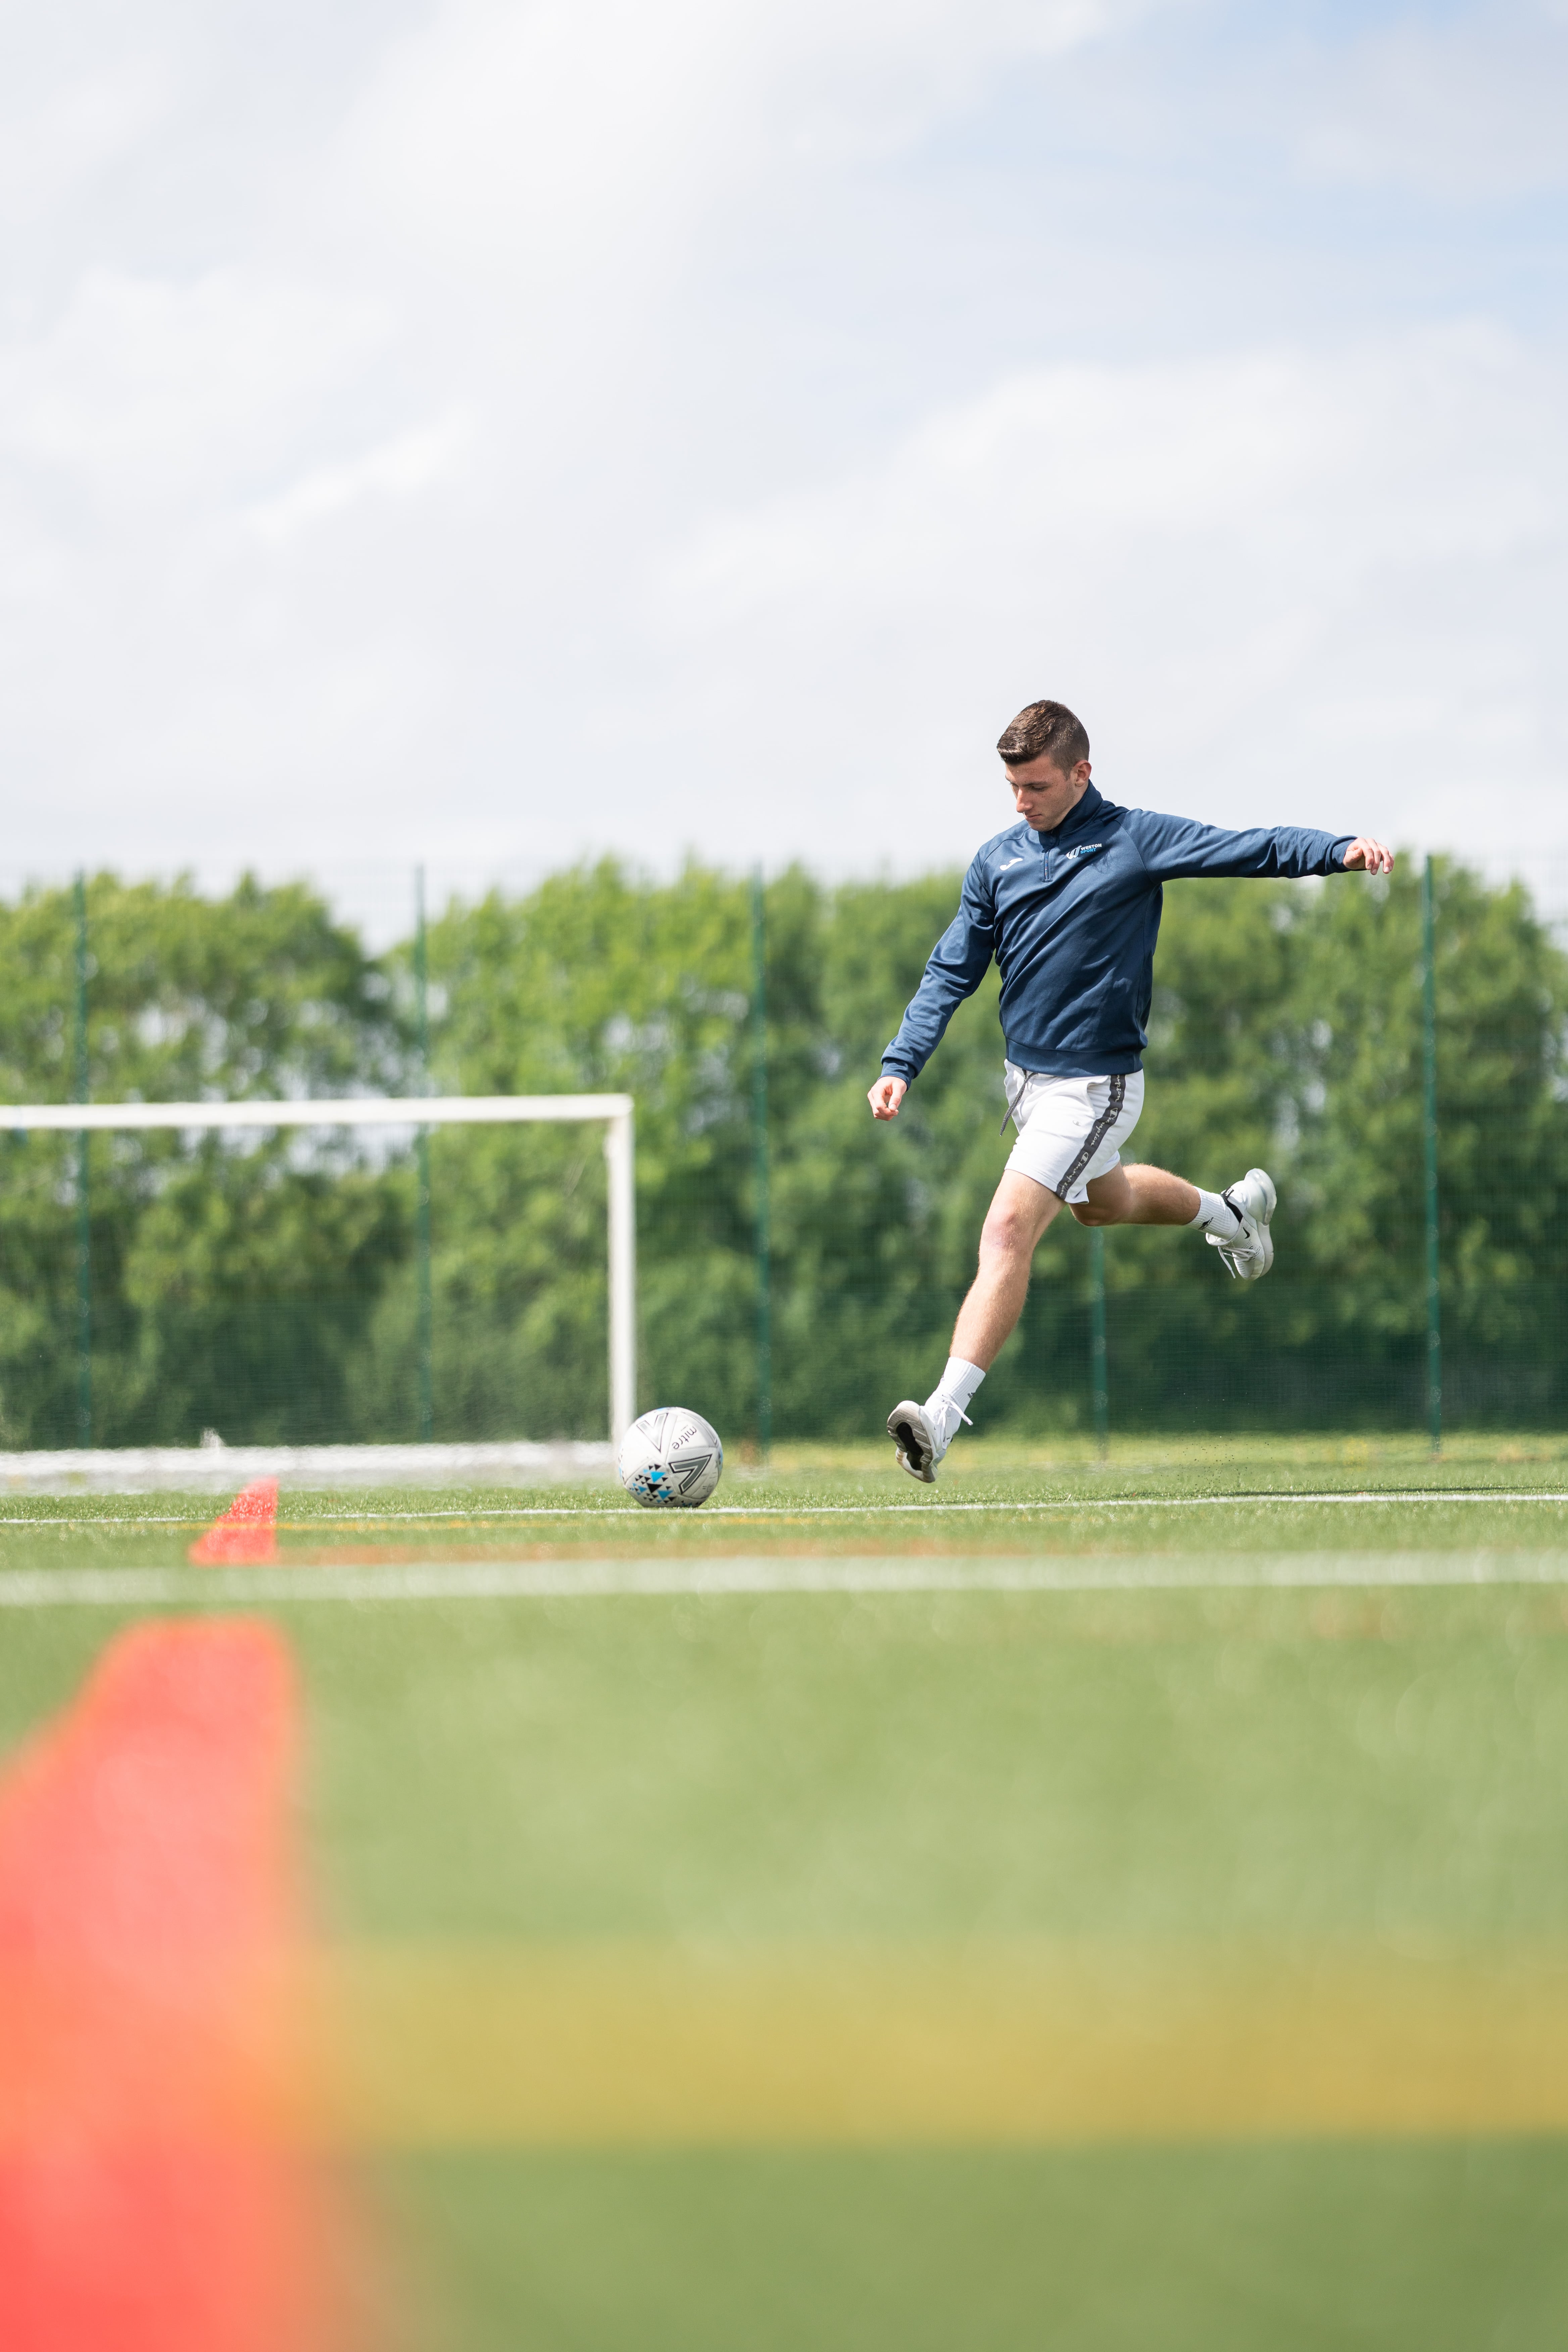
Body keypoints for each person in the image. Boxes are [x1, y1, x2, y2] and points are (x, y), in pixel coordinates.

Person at [869, 698, 1393, 1483]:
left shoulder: (1131, 839)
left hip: (1095, 1085)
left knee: (1007, 1229)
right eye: (1012, 787)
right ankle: (1231, 1214)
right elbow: (952, 970)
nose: (1022, 802)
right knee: (1100, 1203)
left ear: (1082, 773)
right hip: (1027, 1085)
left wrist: (1335, 850)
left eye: (1037, 786)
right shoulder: (995, 861)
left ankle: (937, 1419)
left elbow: (1242, 848)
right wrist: (899, 1063)